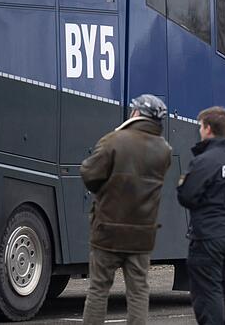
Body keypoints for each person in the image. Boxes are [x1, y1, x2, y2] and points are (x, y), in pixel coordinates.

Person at [81, 94, 173, 325]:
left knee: (99, 289)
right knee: (139, 291)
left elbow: (89, 174)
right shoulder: (164, 150)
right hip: (142, 235)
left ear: (138, 113)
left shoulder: (113, 141)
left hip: (107, 232)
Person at [177, 106, 225, 325]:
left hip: (208, 238)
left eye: (200, 126)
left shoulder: (205, 161)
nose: (200, 131)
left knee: (207, 294)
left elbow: (186, 196)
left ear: (208, 129)